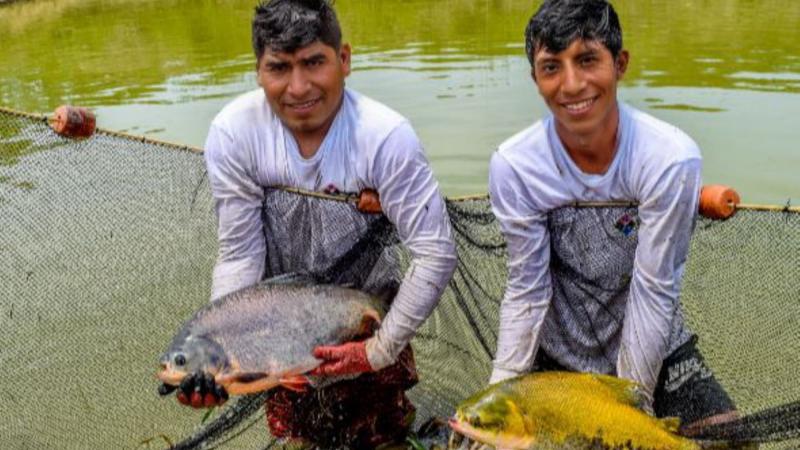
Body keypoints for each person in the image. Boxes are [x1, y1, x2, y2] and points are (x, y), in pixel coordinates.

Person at [159, 0, 457, 447]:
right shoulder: (233, 134)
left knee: (386, 435)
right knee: (300, 440)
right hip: (278, 328)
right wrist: (221, 351)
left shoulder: (385, 137)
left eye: (314, 63)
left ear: (344, 60)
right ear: (258, 71)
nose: (298, 87)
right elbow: (240, 253)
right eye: (279, 68)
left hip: (368, 316)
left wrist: (377, 350)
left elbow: (435, 253)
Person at [488, 0, 737, 435]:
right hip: (560, 345)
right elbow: (527, 290)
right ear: (535, 78)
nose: (571, 85)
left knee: (731, 435)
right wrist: (501, 395)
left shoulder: (668, 158)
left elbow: (654, 289)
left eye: (587, 60)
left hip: (652, 336)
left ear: (619, 64)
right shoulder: (516, 165)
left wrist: (626, 412)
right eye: (551, 68)